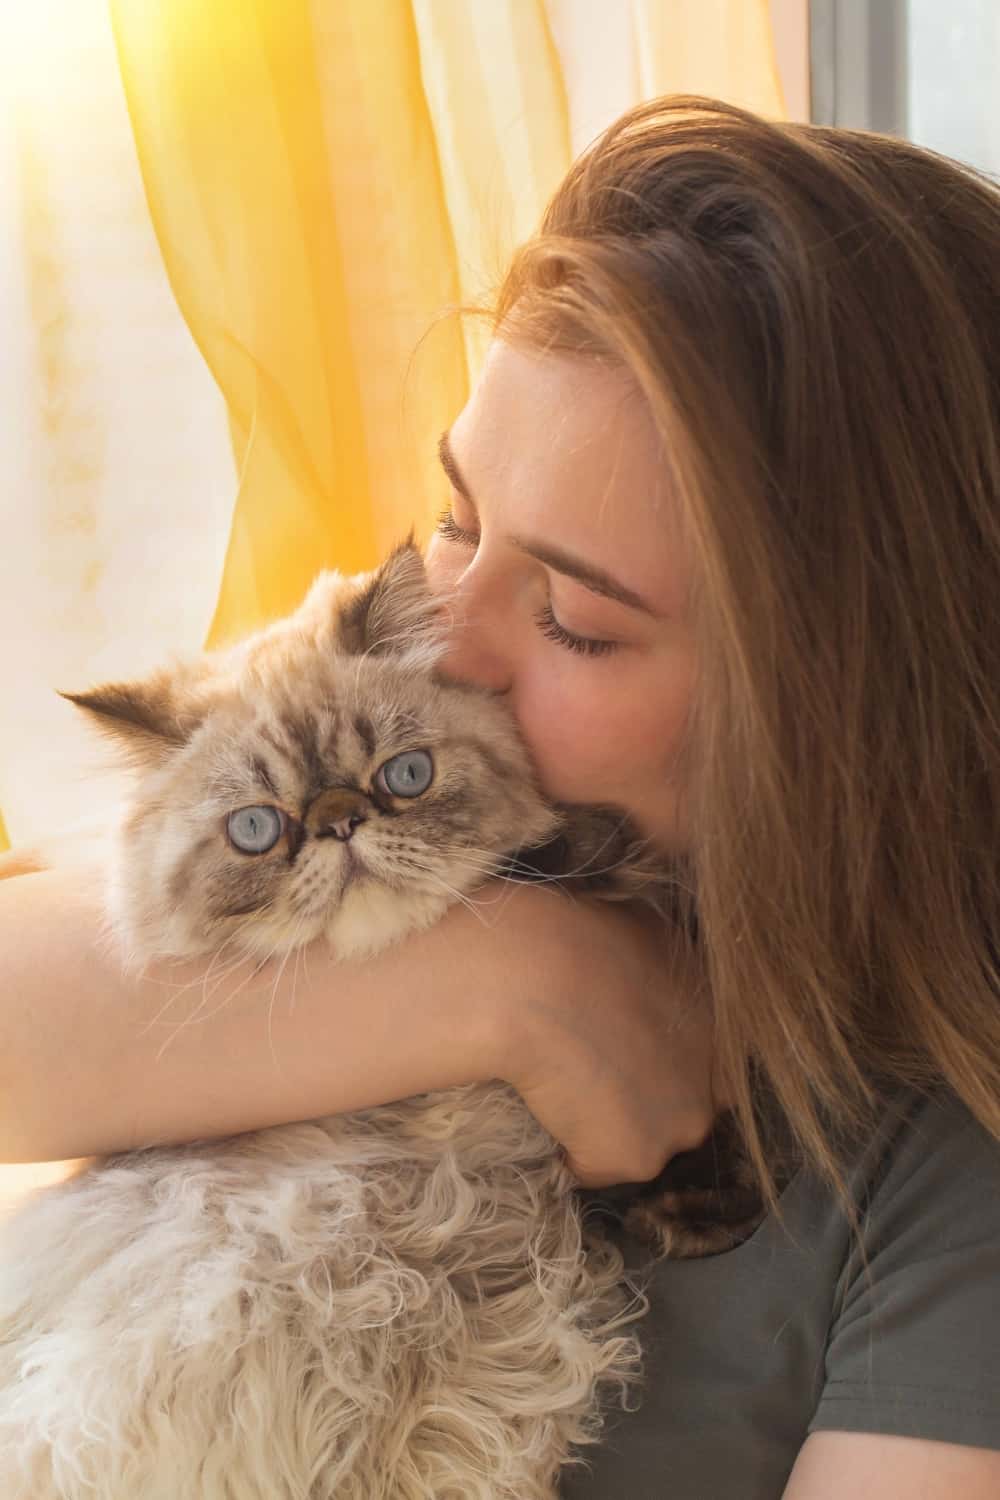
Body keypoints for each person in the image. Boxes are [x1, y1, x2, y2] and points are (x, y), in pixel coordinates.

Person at [1, 95, 998, 1497]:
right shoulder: (426, 852)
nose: (448, 647)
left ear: (841, 725)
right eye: (457, 520)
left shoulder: (940, 1181)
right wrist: (515, 983)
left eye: (578, 620)